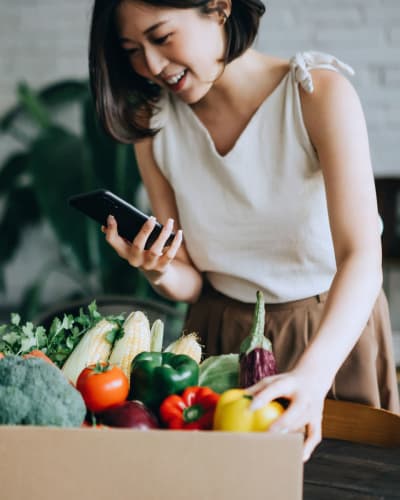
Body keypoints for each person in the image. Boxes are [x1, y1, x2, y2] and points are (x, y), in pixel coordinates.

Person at [89, 0, 400, 460]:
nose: (150, 66)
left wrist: (313, 374)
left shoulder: (317, 95)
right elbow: (192, 280)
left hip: (328, 332)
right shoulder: (154, 130)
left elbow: (361, 256)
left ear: (218, 8)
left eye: (161, 37)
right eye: (132, 49)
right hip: (218, 334)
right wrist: (156, 268)